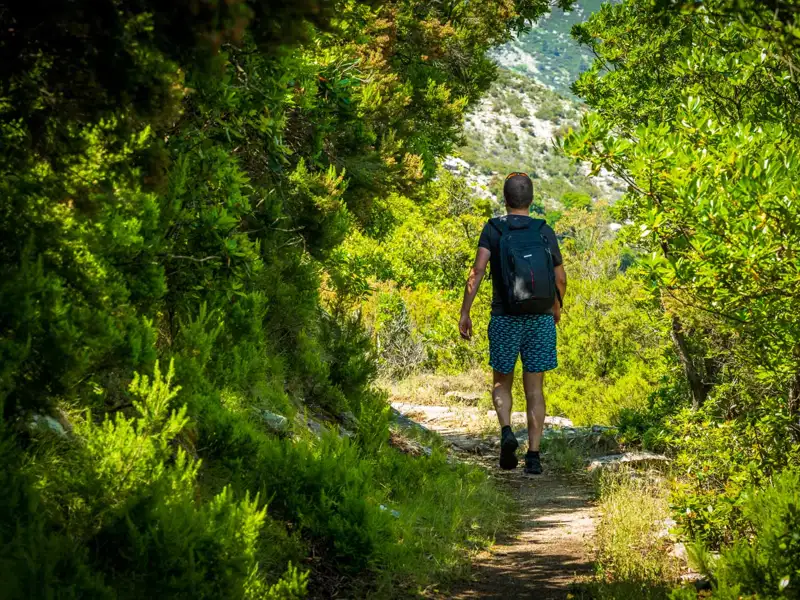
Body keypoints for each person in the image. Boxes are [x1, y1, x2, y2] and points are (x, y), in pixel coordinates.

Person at [458, 172, 566, 474]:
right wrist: (556, 306)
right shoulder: (544, 230)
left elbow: (477, 272)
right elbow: (560, 278)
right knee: (535, 389)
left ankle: (507, 432)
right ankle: (533, 456)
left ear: (505, 199)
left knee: (501, 381)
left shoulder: (493, 229)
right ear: (531, 200)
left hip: (505, 317)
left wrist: (465, 312)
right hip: (540, 319)